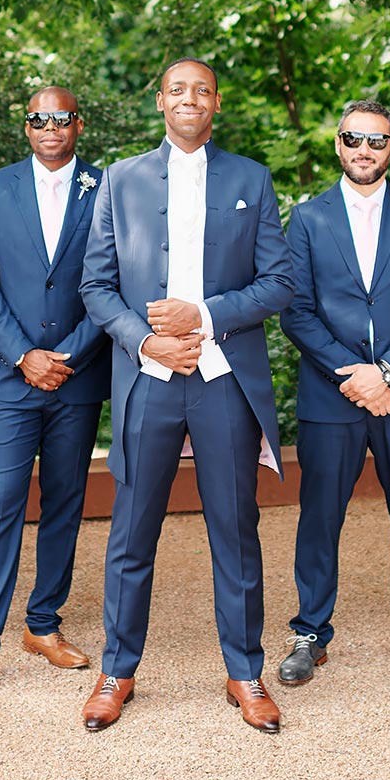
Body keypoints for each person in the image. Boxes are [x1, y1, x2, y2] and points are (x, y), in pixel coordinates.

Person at [78, 59, 294, 733]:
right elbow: (96, 285)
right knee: (131, 531)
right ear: (161, 101)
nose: (190, 99)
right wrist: (147, 343)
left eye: (202, 90)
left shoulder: (250, 178)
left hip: (224, 378)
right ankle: (117, 671)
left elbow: (279, 280)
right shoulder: (121, 178)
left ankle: (244, 672)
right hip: (149, 381)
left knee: (236, 530)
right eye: (178, 89)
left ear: (216, 103)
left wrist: (202, 314)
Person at [279, 100, 390, 686]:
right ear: (338, 143)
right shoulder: (307, 218)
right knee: (320, 515)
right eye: (355, 138)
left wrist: (385, 373)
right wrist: (353, 375)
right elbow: (297, 314)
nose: (365, 149)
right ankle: (310, 632)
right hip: (331, 398)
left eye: (377, 141)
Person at [0, 87, 109, 700]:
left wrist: (70, 354)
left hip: (78, 374)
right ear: (26, 126)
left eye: (61, 118)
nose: (49, 127)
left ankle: (43, 624)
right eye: (38, 118)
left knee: (64, 501)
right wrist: (23, 354)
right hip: (11, 377)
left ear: (78, 125)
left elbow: (113, 278)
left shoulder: (106, 187)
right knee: (2, 502)